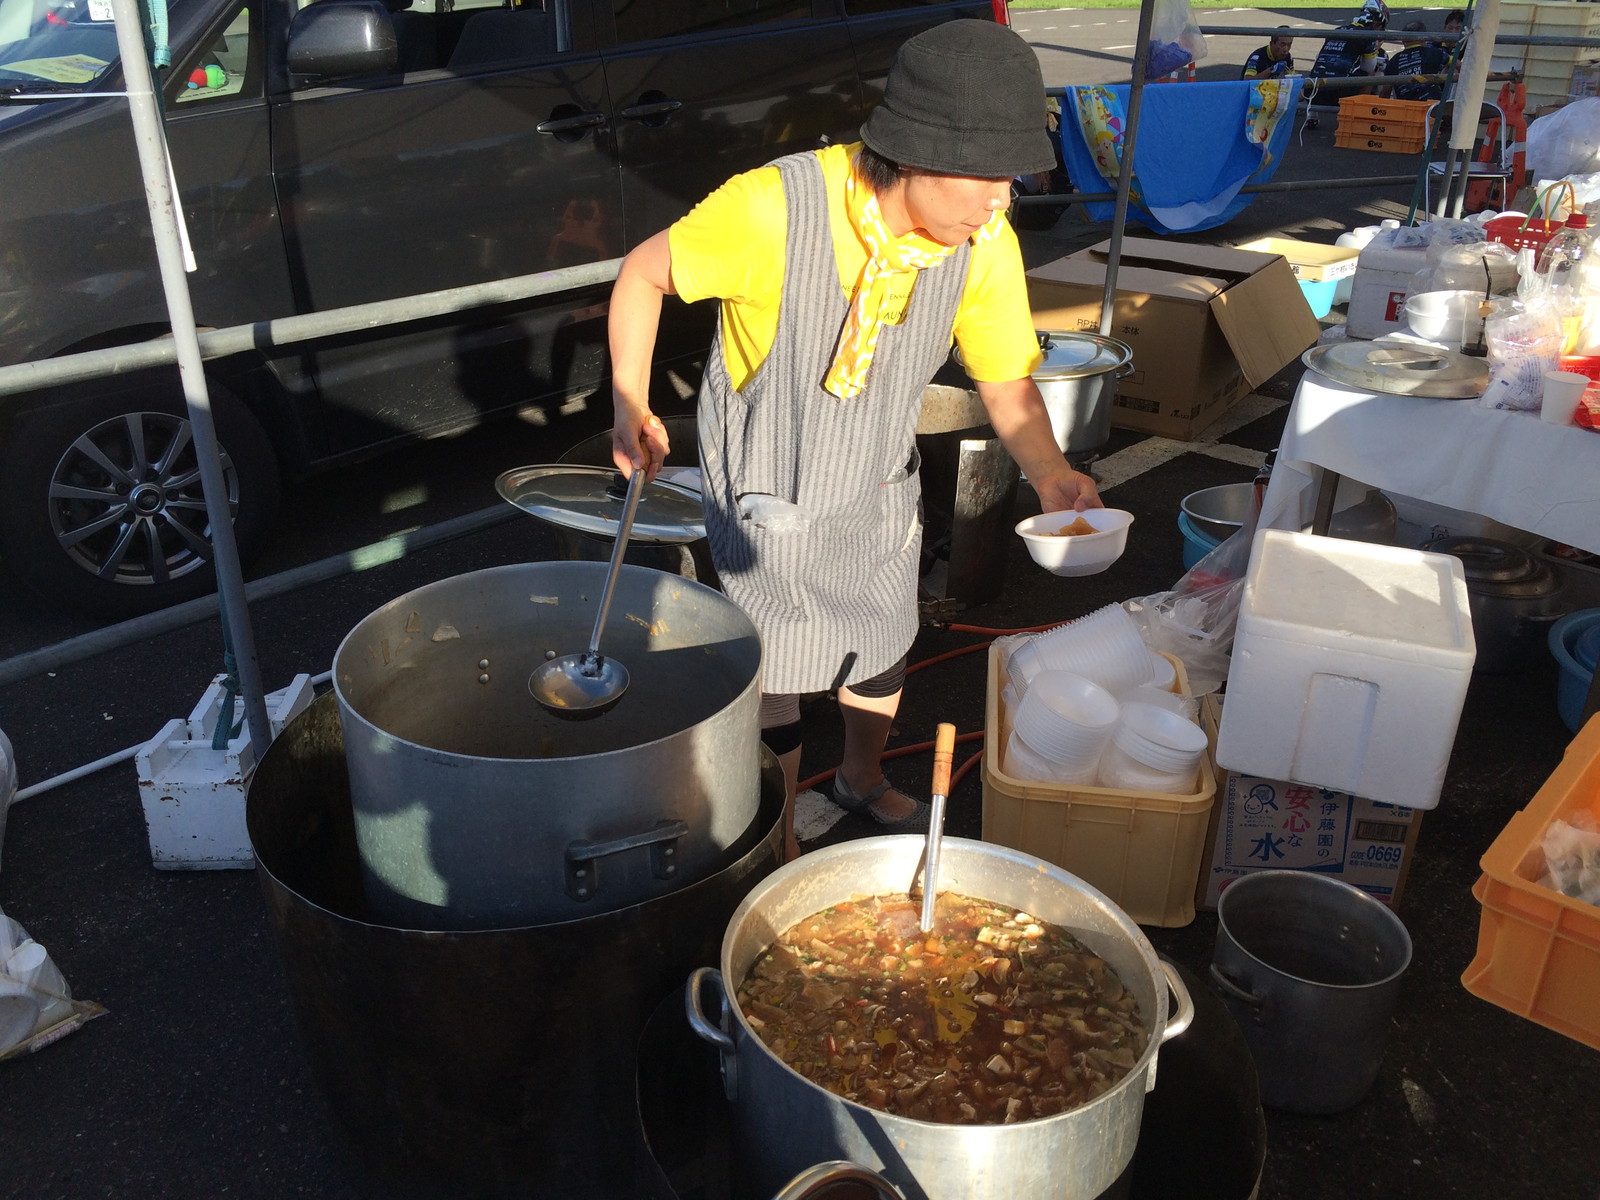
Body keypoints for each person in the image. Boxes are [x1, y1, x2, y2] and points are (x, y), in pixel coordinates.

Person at [606, 20, 1102, 861]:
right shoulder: (772, 210)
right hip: (768, 481)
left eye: (1012, 176)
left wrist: (1052, 475)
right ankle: (780, 838)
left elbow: (1005, 380)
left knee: (880, 638)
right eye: (985, 175)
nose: (1002, 199)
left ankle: (859, 777)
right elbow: (644, 273)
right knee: (772, 669)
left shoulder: (982, 244)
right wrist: (630, 402)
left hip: (874, 481)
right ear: (911, 154)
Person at [1384, 20, 1447, 101]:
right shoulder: (1433, 52)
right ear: (1424, 38)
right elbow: (1457, 64)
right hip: (1432, 104)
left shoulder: (1393, 60)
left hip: (1405, 105)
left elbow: (1385, 92)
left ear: (1403, 40)